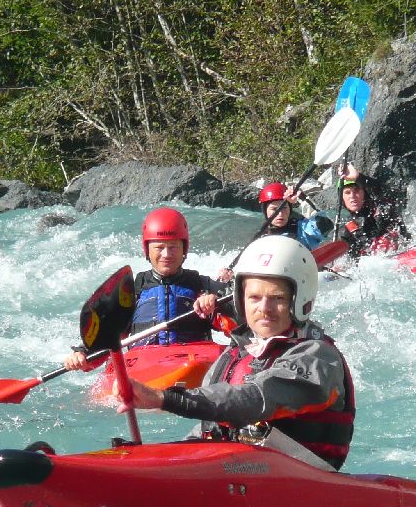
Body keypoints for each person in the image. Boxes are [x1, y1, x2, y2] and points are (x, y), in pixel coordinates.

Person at [118, 234, 355, 470]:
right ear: (241, 301)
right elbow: (208, 430)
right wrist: (157, 461)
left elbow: (255, 398)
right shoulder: (236, 353)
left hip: (300, 477)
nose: (264, 308)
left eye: (277, 298)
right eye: (254, 297)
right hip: (240, 471)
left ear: (300, 300)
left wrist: (165, 399)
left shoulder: (318, 357)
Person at [65, 207, 230, 371]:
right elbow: (108, 336)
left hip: (196, 365)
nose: (167, 254)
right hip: (145, 368)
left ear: (184, 249)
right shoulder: (130, 292)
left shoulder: (202, 286)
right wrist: (83, 354)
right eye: (159, 247)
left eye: (173, 247)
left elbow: (238, 315)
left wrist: (216, 304)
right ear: (147, 250)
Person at [335, 163, 405, 256]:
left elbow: (383, 191)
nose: (352, 196)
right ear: (342, 198)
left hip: (401, 251)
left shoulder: (379, 206)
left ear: (364, 193)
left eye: (356, 191)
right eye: (347, 193)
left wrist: (358, 177)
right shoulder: (348, 227)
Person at [259, 182, 334, 251]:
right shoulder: (261, 238)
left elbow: (325, 225)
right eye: (274, 209)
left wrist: (300, 199)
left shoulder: (303, 229)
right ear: (265, 211)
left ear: (290, 209)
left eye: (284, 208)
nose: (280, 214)